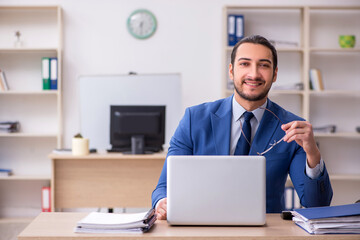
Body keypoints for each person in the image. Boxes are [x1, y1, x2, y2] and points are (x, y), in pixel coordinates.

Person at [152, 35, 333, 220]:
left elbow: (317, 206)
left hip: (266, 232)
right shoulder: (194, 119)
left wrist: (313, 153)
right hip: (202, 226)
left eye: (263, 65)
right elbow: (164, 187)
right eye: (245, 64)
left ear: (275, 74)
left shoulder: (293, 129)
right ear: (231, 71)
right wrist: (163, 203)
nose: (254, 74)